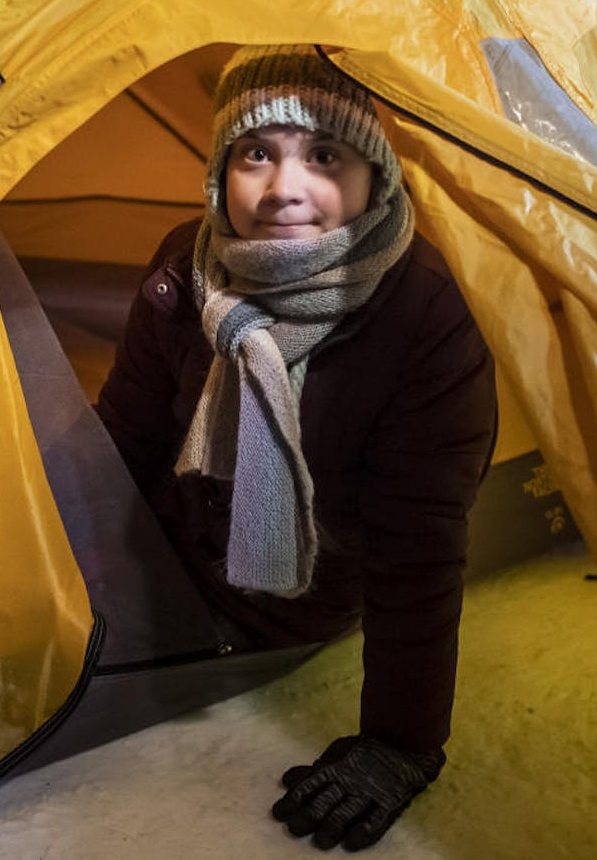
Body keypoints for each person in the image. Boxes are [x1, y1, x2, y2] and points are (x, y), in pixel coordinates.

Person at [94, 45, 497, 851]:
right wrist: (73, 570)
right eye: (256, 153)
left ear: (373, 171)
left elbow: (416, 551)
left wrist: (400, 741)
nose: (285, 188)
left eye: (324, 154)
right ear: (219, 169)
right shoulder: (188, 261)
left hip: (295, 596)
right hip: (166, 549)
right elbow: (123, 439)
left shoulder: (423, 318)